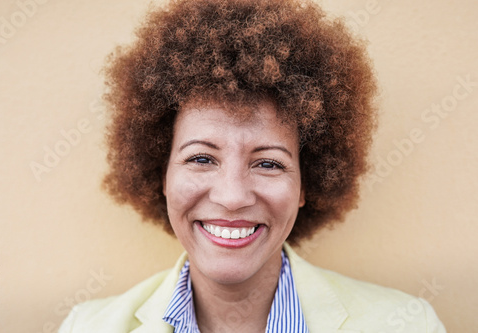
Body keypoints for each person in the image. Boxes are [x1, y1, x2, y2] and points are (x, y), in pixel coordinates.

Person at [60, 0, 446, 331]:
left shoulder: (408, 325)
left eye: (268, 164)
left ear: (306, 185)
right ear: (161, 172)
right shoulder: (87, 327)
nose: (232, 197)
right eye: (200, 158)